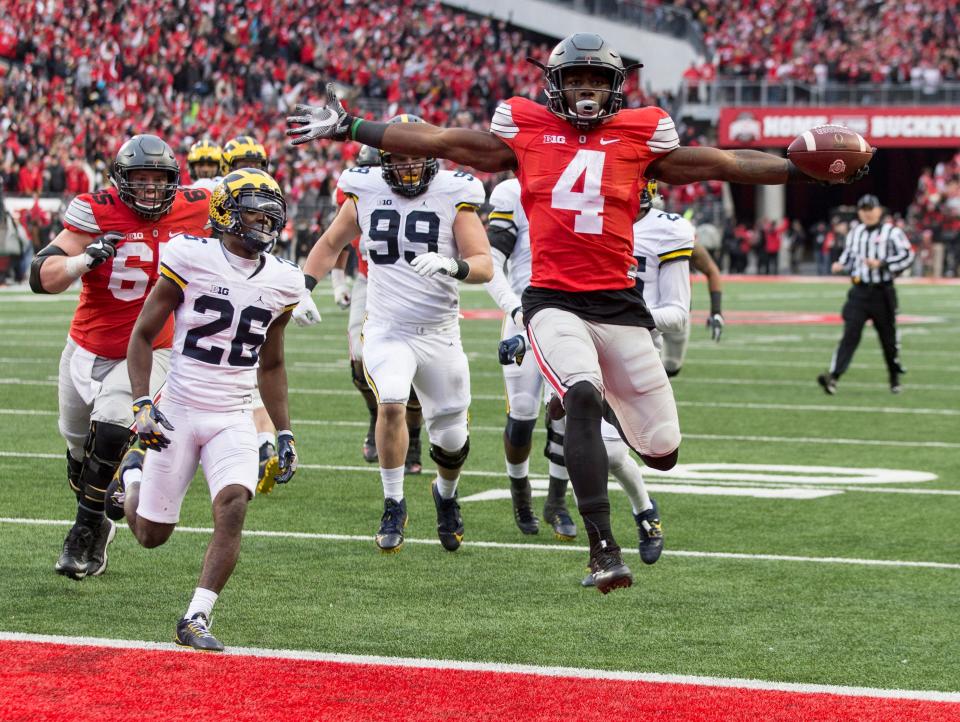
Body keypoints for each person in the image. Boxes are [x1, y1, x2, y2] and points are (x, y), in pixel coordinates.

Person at [287, 32, 868, 593]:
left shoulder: (640, 136)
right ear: (555, 85)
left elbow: (722, 161)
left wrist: (799, 169)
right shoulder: (525, 131)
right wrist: (350, 126)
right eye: (576, 78)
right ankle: (603, 550)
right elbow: (438, 142)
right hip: (553, 299)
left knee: (663, 452)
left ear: (616, 86)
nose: (586, 89)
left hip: (619, 304)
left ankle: (625, 480)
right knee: (581, 396)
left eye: (597, 79)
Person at [105, 168, 302, 651]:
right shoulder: (190, 257)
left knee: (234, 503)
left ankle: (196, 616)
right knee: (151, 534)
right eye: (254, 206)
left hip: (233, 412)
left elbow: (271, 364)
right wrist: (142, 403)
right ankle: (131, 473)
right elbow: (143, 336)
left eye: (270, 207)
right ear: (225, 213)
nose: (266, 216)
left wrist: (284, 432)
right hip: (180, 407)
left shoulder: (284, 279)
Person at [299, 115, 492, 554]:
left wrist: (453, 265)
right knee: (390, 403)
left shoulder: (454, 193)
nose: (407, 166)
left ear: (432, 157)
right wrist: (304, 289)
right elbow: (330, 244)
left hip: (439, 332)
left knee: (451, 436)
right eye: (398, 157)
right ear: (382, 159)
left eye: (416, 156)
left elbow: (483, 262)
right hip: (386, 328)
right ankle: (393, 503)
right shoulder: (365, 190)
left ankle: (445, 494)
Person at [29, 134, 210, 581]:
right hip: (87, 348)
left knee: (111, 429)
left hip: (151, 348)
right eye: (140, 179)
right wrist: (80, 263)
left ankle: (84, 531)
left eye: (158, 179)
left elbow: (247, 195)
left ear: (174, 181)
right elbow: (40, 276)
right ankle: (95, 519)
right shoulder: (96, 210)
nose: (150, 189)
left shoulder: (198, 205)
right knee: (77, 449)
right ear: (121, 180)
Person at [580, 181, 692, 586]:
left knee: (629, 452)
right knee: (584, 449)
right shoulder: (584, 220)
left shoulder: (667, 230)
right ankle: (610, 543)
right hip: (583, 342)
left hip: (636, 349)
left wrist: (620, 315)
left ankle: (644, 510)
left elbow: (678, 314)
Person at [294, 144, 425, 474]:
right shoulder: (358, 196)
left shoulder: (425, 193)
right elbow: (338, 240)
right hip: (370, 282)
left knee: (419, 368)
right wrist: (338, 280)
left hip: (419, 288)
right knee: (359, 363)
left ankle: (414, 435)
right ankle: (374, 415)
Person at [484, 175, 576, 539]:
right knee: (522, 416)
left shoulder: (580, 184)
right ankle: (520, 493)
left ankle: (557, 502)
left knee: (568, 416)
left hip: (570, 316)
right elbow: (491, 262)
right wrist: (515, 309)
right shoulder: (512, 192)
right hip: (524, 315)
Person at [219, 134, 282, 492]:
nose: (252, 172)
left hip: (249, 291)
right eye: (245, 164)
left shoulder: (266, 199)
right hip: (220, 293)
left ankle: (263, 445)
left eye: (257, 165)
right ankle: (262, 445)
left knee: (251, 371)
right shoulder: (215, 196)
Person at [818, 194, 914, 395]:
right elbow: (849, 257)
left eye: (871, 209)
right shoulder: (855, 233)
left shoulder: (892, 232)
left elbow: (907, 255)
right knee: (850, 334)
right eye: (864, 210)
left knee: (888, 338)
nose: (868, 213)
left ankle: (894, 376)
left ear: (879, 211)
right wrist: (840, 265)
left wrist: (883, 263)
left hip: (882, 292)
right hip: (859, 292)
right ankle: (833, 377)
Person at [661, 239, 725, 377]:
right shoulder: (634, 228)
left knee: (672, 367)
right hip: (642, 309)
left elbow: (712, 270)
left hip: (677, 309)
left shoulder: (680, 234)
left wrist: (716, 311)